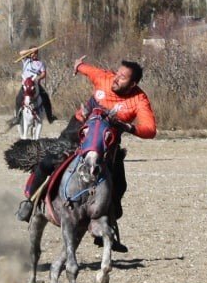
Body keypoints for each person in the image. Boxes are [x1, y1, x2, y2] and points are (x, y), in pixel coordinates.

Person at [16, 56, 156, 254]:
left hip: (107, 143)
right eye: (117, 73)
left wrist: (128, 127)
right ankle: (29, 203)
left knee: (119, 185)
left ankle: (108, 228)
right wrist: (78, 66)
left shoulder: (139, 99)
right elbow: (85, 69)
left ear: (133, 84)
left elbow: (150, 129)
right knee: (48, 161)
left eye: (123, 77)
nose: (116, 78)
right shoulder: (104, 77)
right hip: (78, 129)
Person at [10, 47, 54, 126]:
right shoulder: (26, 60)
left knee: (46, 97)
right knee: (18, 99)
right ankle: (17, 117)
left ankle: (50, 117)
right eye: (33, 53)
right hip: (25, 86)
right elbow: (21, 53)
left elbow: (43, 73)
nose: (34, 54)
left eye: (36, 53)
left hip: (35, 85)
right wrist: (30, 50)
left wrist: (38, 78)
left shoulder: (40, 63)